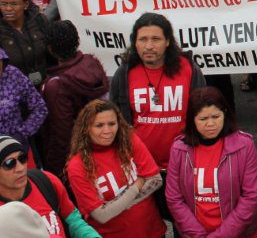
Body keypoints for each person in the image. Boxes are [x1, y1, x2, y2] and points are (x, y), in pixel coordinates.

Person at [109, 13, 206, 173]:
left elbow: (203, 111)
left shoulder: (189, 69)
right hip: (141, 168)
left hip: (184, 164)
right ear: (135, 42)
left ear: (167, 41)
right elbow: (116, 118)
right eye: (143, 39)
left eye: (156, 39)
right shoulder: (124, 74)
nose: (148, 46)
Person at [165, 87, 257, 236]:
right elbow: (174, 198)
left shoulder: (244, 145)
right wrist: (198, 234)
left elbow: (251, 197)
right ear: (192, 120)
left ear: (225, 114)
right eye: (203, 119)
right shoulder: (179, 149)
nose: (210, 124)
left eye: (216, 117)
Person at [65, 100, 165, 237]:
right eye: (99, 125)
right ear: (86, 128)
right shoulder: (77, 165)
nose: (107, 131)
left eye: (112, 124)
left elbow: (156, 180)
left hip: (151, 231)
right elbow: (101, 215)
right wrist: (136, 186)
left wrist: (116, 205)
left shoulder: (129, 140)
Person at [40, 21, 109, 176]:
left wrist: (53, 170)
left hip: (77, 159)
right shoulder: (91, 62)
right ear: (77, 41)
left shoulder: (56, 86)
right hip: (102, 145)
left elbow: (61, 133)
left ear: (50, 49)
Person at [0, 135, 101, 237]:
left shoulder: (45, 180)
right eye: (9, 163)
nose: (20, 168)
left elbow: (74, 222)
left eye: (22, 158)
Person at [0, 0, 49, 85]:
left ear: (26, 4)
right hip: (14, 94)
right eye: (3, 4)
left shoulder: (39, 21)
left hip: (44, 88)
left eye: (14, 4)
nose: (8, 9)